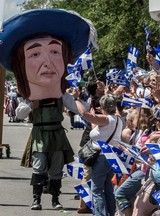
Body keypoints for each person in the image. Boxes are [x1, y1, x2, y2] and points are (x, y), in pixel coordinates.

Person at [0, 8, 97, 210]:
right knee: (39, 166)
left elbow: (80, 109)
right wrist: (30, 104)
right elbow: (19, 114)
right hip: (39, 133)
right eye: (35, 53)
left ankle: (55, 199)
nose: (47, 62)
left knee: (56, 168)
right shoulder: (29, 96)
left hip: (57, 133)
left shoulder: (62, 95)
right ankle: (36, 199)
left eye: (55, 52)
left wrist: (87, 105)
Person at [76, 94, 123, 216]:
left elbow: (84, 115)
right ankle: (110, 213)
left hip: (102, 157)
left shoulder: (106, 120)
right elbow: (99, 130)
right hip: (112, 157)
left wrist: (76, 99)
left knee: (97, 189)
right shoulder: (118, 119)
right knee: (108, 189)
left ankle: (101, 214)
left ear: (103, 107)